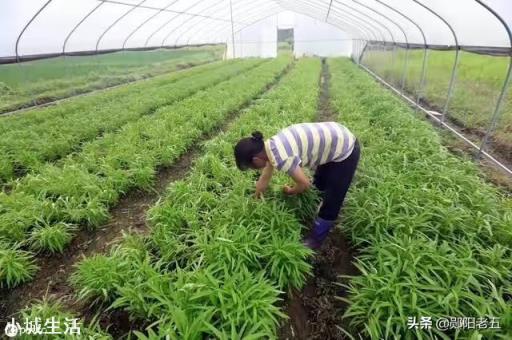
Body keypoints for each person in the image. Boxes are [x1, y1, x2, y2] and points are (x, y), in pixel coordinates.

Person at [233, 122, 360, 249]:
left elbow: (304, 184)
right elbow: (265, 176)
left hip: (345, 148)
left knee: (333, 199)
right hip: (334, 138)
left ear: (256, 159)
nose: (254, 169)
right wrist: (258, 194)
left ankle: (315, 240)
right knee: (320, 182)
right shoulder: (270, 146)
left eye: (251, 167)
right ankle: (313, 213)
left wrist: (291, 191)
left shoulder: (282, 158)